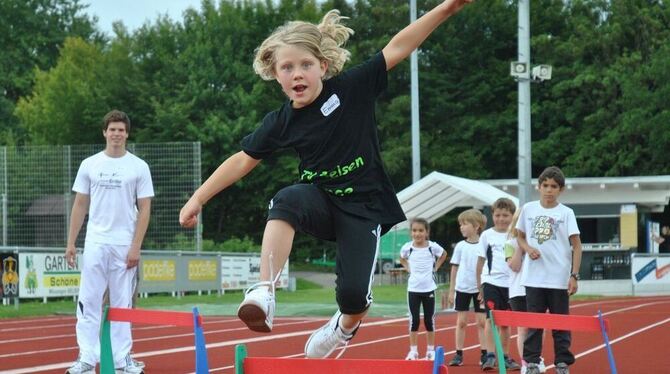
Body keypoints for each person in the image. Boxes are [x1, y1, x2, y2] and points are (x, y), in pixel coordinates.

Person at [179, 0, 474, 359]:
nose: (297, 74)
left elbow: (397, 46)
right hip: (320, 202)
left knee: (353, 298)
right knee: (286, 199)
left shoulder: (351, 89)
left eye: (305, 65)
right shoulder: (282, 121)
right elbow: (243, 160)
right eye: (287, 68)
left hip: (364, 209)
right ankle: (263, 291)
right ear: (276, 75)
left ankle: (343, 328)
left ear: (323, 66)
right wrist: (199, 198)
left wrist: (447, 8)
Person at [64, 110, 153, 374]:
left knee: (121, 303)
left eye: (121, 130)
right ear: (104, 132)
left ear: (127, 133)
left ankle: (122, 359)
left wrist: (136, 245)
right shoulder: (90, 165)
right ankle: (87, 359)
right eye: (112, 129)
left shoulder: (139, 166)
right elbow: (80, 205)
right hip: (95, 243)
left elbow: (145, 209)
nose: (116, 134)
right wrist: (71, 242)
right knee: (89, 301)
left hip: (124, 245)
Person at [515, 166, 582, 374]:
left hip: (559, 278)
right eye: (545, 185)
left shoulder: (566, 213)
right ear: (539, 187)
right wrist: (527, 248)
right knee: (534, 323)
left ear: (560, 189)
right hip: (534, 278)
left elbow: (577, 246)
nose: (549, 190)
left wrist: (574, 275)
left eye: (554, 186)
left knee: (560, 323)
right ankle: (532, 362)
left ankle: (562, 362)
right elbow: (519, 236)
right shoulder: (528, 209)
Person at [476, 198, 521, 371]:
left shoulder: (516, 234)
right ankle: (490, 356)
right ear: (492, 215)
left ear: (512, 216)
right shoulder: (487, 235)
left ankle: (505, 355)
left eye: (505, 215)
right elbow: (480, 261)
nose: (501, 219)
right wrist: (479, 285)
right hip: (491, 282)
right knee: (490, 319)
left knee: (506, 322)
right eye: (497, 215)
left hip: (511, 284)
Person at [399, 218, 448, 361]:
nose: (417, 233)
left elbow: (444, 254)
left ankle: (430, 350)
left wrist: (436, 268)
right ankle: (413, 351)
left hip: (429, 289)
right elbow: (402, 258)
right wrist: (408, 268)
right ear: (411, 232)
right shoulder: (408, 248)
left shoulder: (432, 247)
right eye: (414, 230)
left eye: (421, 230)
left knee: (429, 320)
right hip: (413, 289)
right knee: (414, 320)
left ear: (427, 232)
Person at [505, 210, 546, 373]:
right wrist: (522, 246)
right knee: (522, 328)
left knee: (539, 327)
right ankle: (525, 363)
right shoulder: (510, 244)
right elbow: (514, 266)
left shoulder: (540, 243)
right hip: (518, 291)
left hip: (538, 290)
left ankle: (536, 358)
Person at [447, 209, 487, 367]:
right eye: (460, 224)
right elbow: (454, 268)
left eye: (464, 224)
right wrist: (451, 290)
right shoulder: (460, 246)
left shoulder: (484, 244)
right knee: (461, 322)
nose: (461, 227)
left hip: (480, 289)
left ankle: (485, 353)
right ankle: (458, 353)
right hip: (462, 288)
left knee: (482, 322)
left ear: (476, 226)